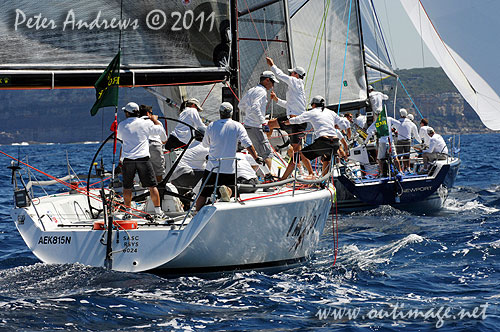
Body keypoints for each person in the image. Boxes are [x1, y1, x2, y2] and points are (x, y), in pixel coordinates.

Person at [195, 102, 261, 211]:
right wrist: (256, 158)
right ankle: (226, 191)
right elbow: (247, 143)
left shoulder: (211, 126)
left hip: (212, 167)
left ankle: (196, 213)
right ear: (231, 113)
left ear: (220, 113)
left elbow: (205, 144)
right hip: (229, 168)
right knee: (232, 191)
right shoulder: (237, 125)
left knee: (203, 193)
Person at [265, 56, 314, 178]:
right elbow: (289, 105)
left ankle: (311, 173)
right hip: (290, 120)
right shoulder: (296, 88)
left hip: (297, 123)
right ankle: (267, 149)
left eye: (292, 72)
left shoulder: (296, 82)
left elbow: (280, 75)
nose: (290, 74)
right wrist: (277, 100)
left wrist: (272, 65)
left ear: (296, 75)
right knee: (269, 124)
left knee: (298, 152)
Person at [117, 102, 167, 220]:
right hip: (143, 159)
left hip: (128, 160)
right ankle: (158, 212)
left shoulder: (122, 125)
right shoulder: (145, 124)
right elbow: (160, 131)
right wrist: (155, 120)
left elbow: (120, 138)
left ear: (128, 113)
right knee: (152, 186)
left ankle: (128, 212)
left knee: (127, 187)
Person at [286, 96, 342, 176]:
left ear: (314, 105)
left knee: (299, 155)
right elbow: (340, 123)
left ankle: (310, 173)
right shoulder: (331, 112)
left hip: (324, 142)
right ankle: (322, 182)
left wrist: (288, 122)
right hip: (335, 143)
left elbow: (299, 119)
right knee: (327, 158)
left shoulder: (313, 111)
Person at [238, 71, 278, 176]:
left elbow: (240, 105)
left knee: (258, 153)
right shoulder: (262, 91)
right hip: (255, 126)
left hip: (248, 125)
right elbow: (256, 107)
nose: (273, 85)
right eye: (272, 82)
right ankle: (268, 179)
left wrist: (249, 114)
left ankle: (262, 176)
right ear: (267, 80)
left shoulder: (252, 90)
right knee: (267, 153)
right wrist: (263, 122)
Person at [364, 108, 402, 177]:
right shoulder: (389, 119)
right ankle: (400, 171)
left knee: (380, 159)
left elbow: (368, 131)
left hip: (382, 142)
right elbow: (399, 124)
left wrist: (374, 132)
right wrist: (392, 127)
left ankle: (382, 173)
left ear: (377, 114)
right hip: (390, 141)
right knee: (395, 157)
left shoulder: (377, 122)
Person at [139, 104, 167, 182]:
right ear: (148, 114)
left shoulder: (136, 124)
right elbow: (164, 140)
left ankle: (148, 189)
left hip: (142, 148)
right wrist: (155, 120)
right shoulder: (157, 123)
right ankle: (158, 190)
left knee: (144, 172)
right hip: (155, 146)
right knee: (158, 173)